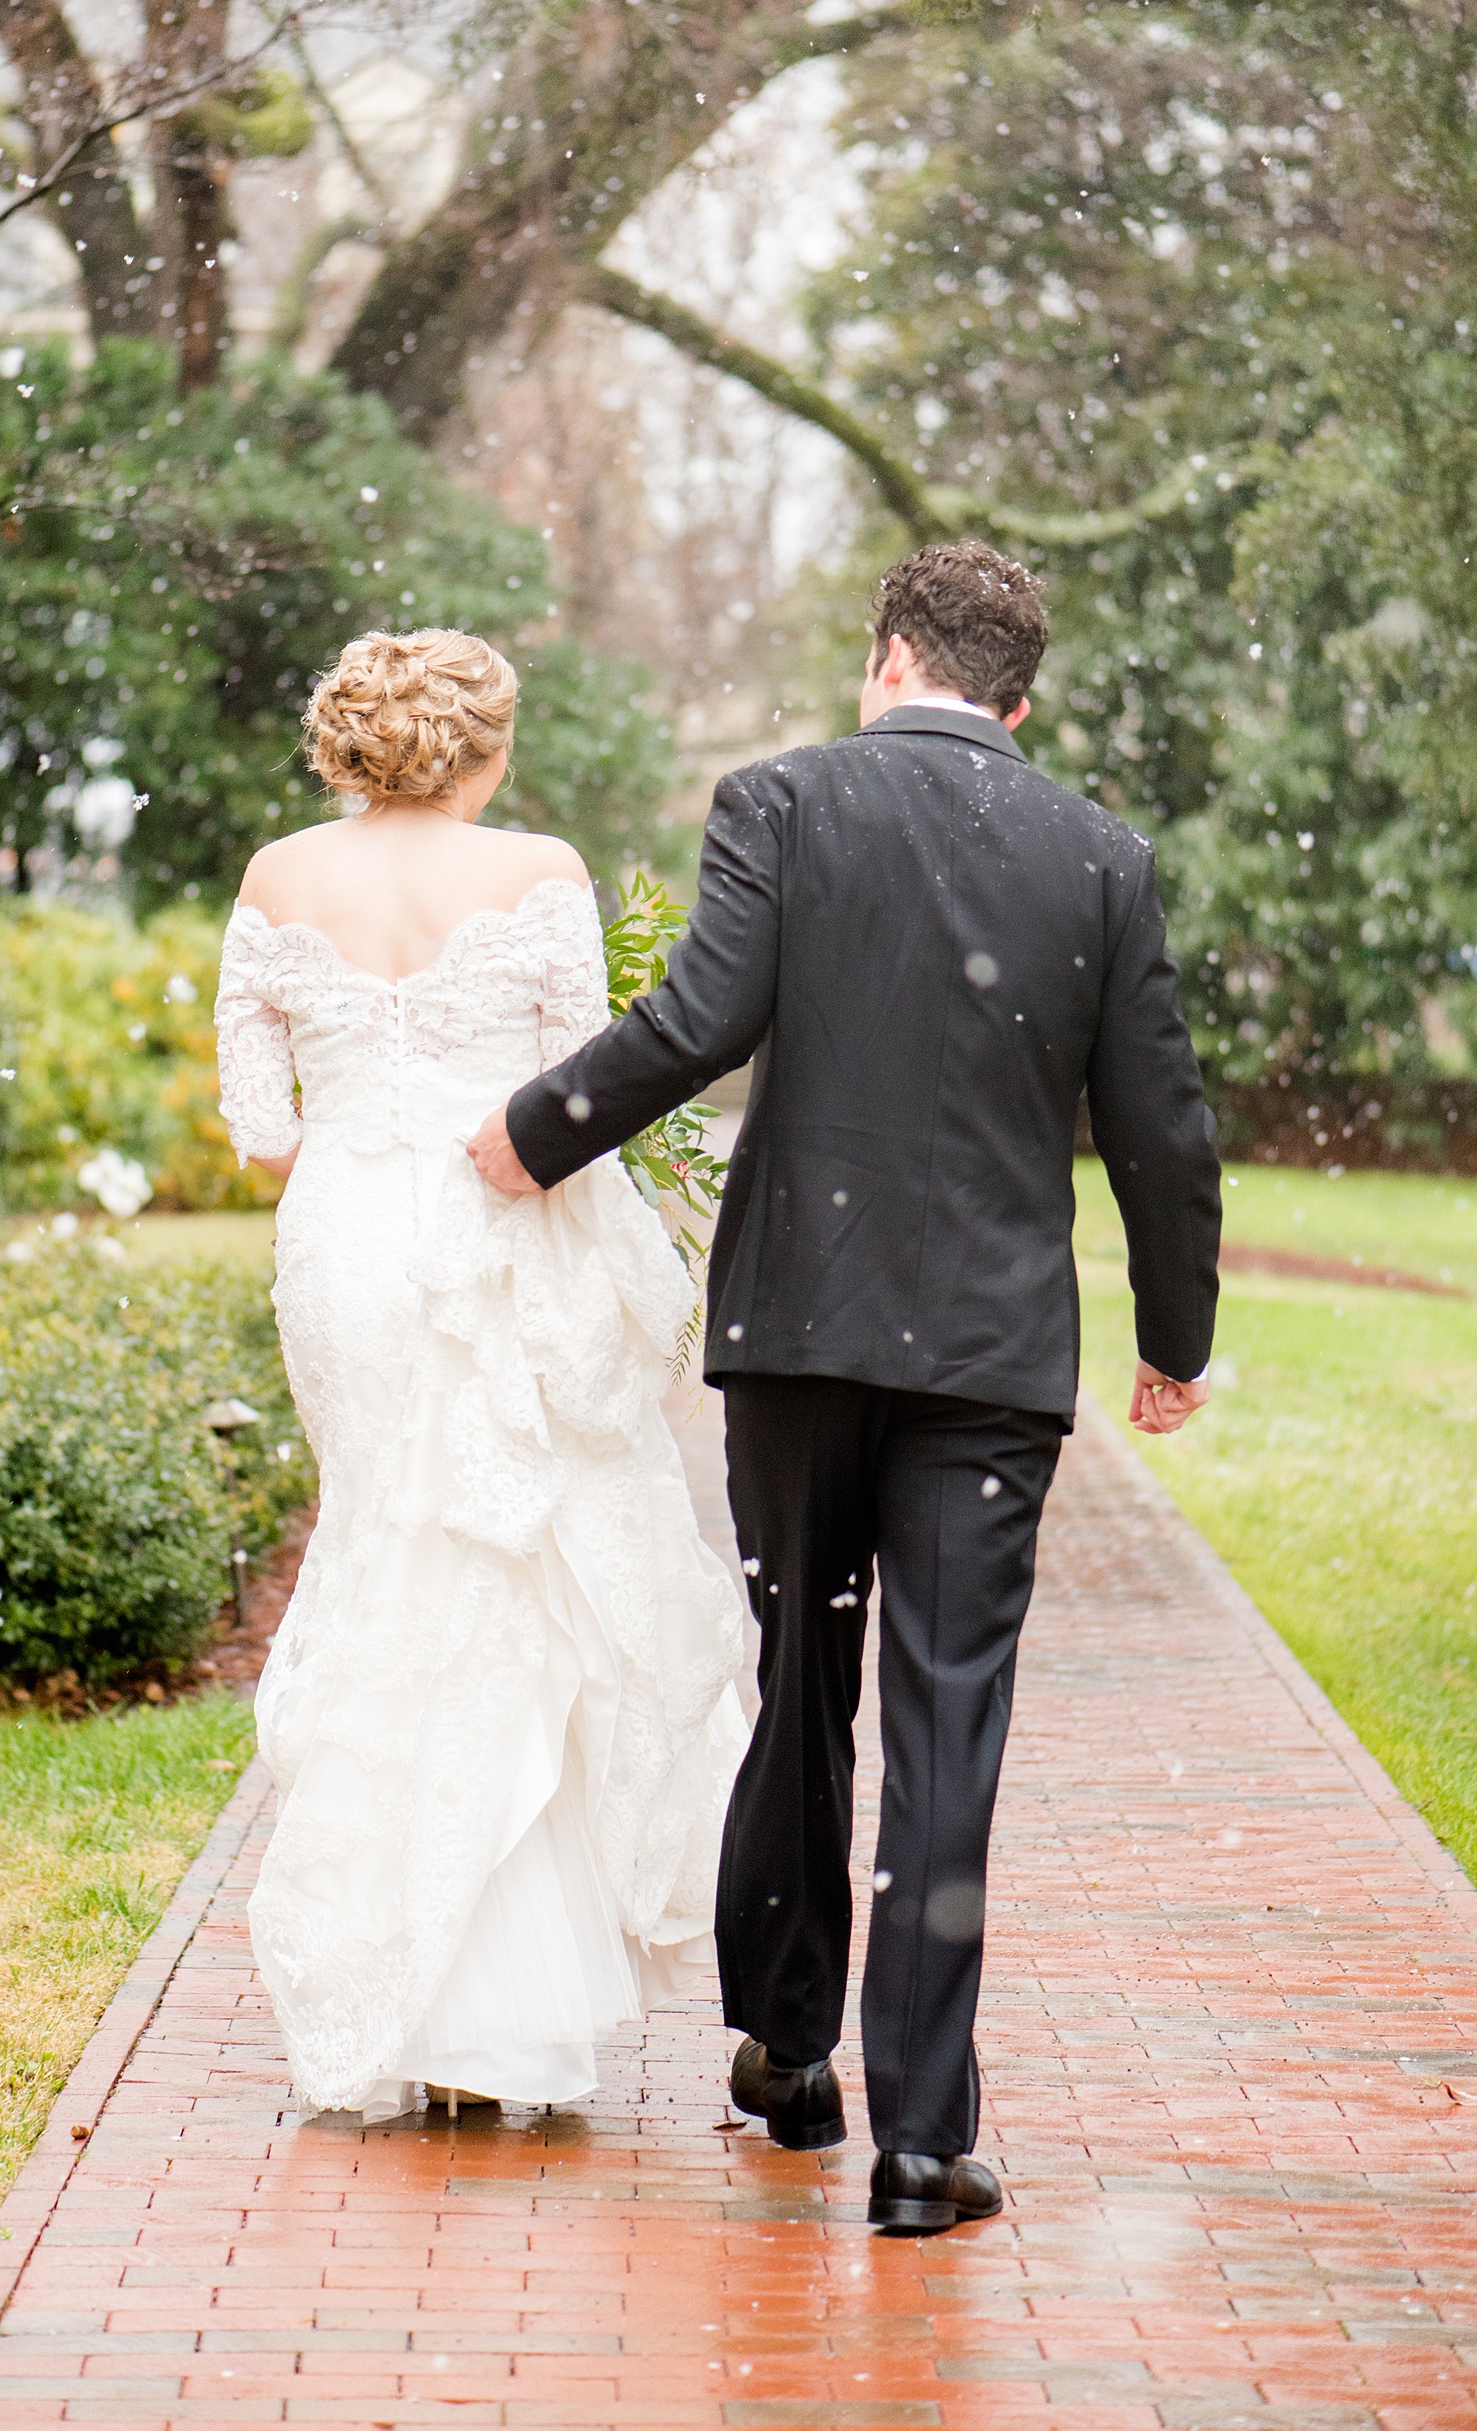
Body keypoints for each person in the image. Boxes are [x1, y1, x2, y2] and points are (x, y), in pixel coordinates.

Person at [468, 542, 1221, 2231]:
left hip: (801, 1333)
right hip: (991, 1364)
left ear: (887, 658)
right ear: (1017, 700)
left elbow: (696, 1021)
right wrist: (1176, 1335)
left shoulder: (784, 803)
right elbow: (1163, 1126)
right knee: (950, 1721)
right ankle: (925, 2143)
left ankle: (786, 2050)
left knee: (799, 1674)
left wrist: (534, 1132)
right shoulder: (1100, 857)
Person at [215, 627, 747, 2124]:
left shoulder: (276, 877)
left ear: (347, 741)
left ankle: (400, 1979)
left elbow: (260, 1126)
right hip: (498, 1231)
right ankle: (492, 2005)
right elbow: (580, 1092)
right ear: (483, 747)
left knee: (389, 1553)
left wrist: (357, 1149)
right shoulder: (538, 870)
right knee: (508, 1571)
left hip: (345, 1251)